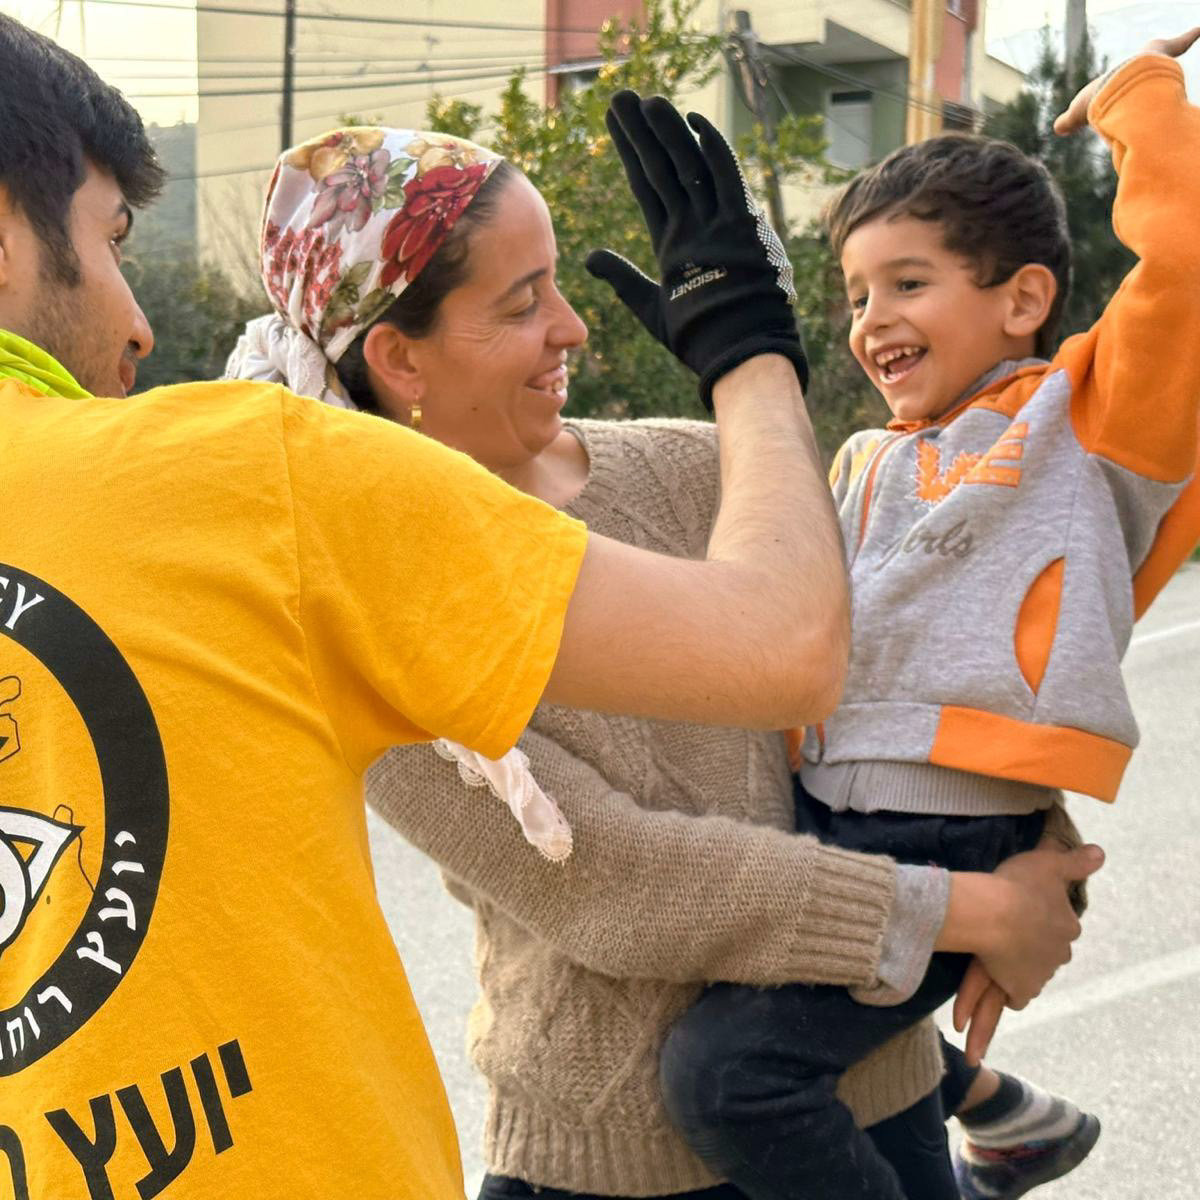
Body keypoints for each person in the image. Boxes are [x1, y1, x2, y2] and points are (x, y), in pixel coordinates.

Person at [0, 17, 913, 1198]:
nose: (140, 322)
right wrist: (753, 355)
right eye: (113, 238)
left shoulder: (666, 467)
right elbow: (772, 662)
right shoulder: (250, 487)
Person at [224, 100, 1103, 1200]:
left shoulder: (700, 469)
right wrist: (976, 910)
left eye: (557, 283)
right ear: (400, 357)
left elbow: (912, 668)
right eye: (522, 301)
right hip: (618, 1162)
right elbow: (614, 879)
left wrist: (1035, 858)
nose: (577, 329)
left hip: (873, 1100)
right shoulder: (364, 609)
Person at [656, 31, 1200, 1200]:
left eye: (908, 283)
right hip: (827, 814)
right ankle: (1005, 1118)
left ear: (1025, 300)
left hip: (946, 834)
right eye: (856, 293)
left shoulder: (1086, 425)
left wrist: (1139, 94)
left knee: (725, 1077)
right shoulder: (864, 459)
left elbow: (1191, 265)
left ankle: (997, 1116)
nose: (870, 318)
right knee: (756, 1022)